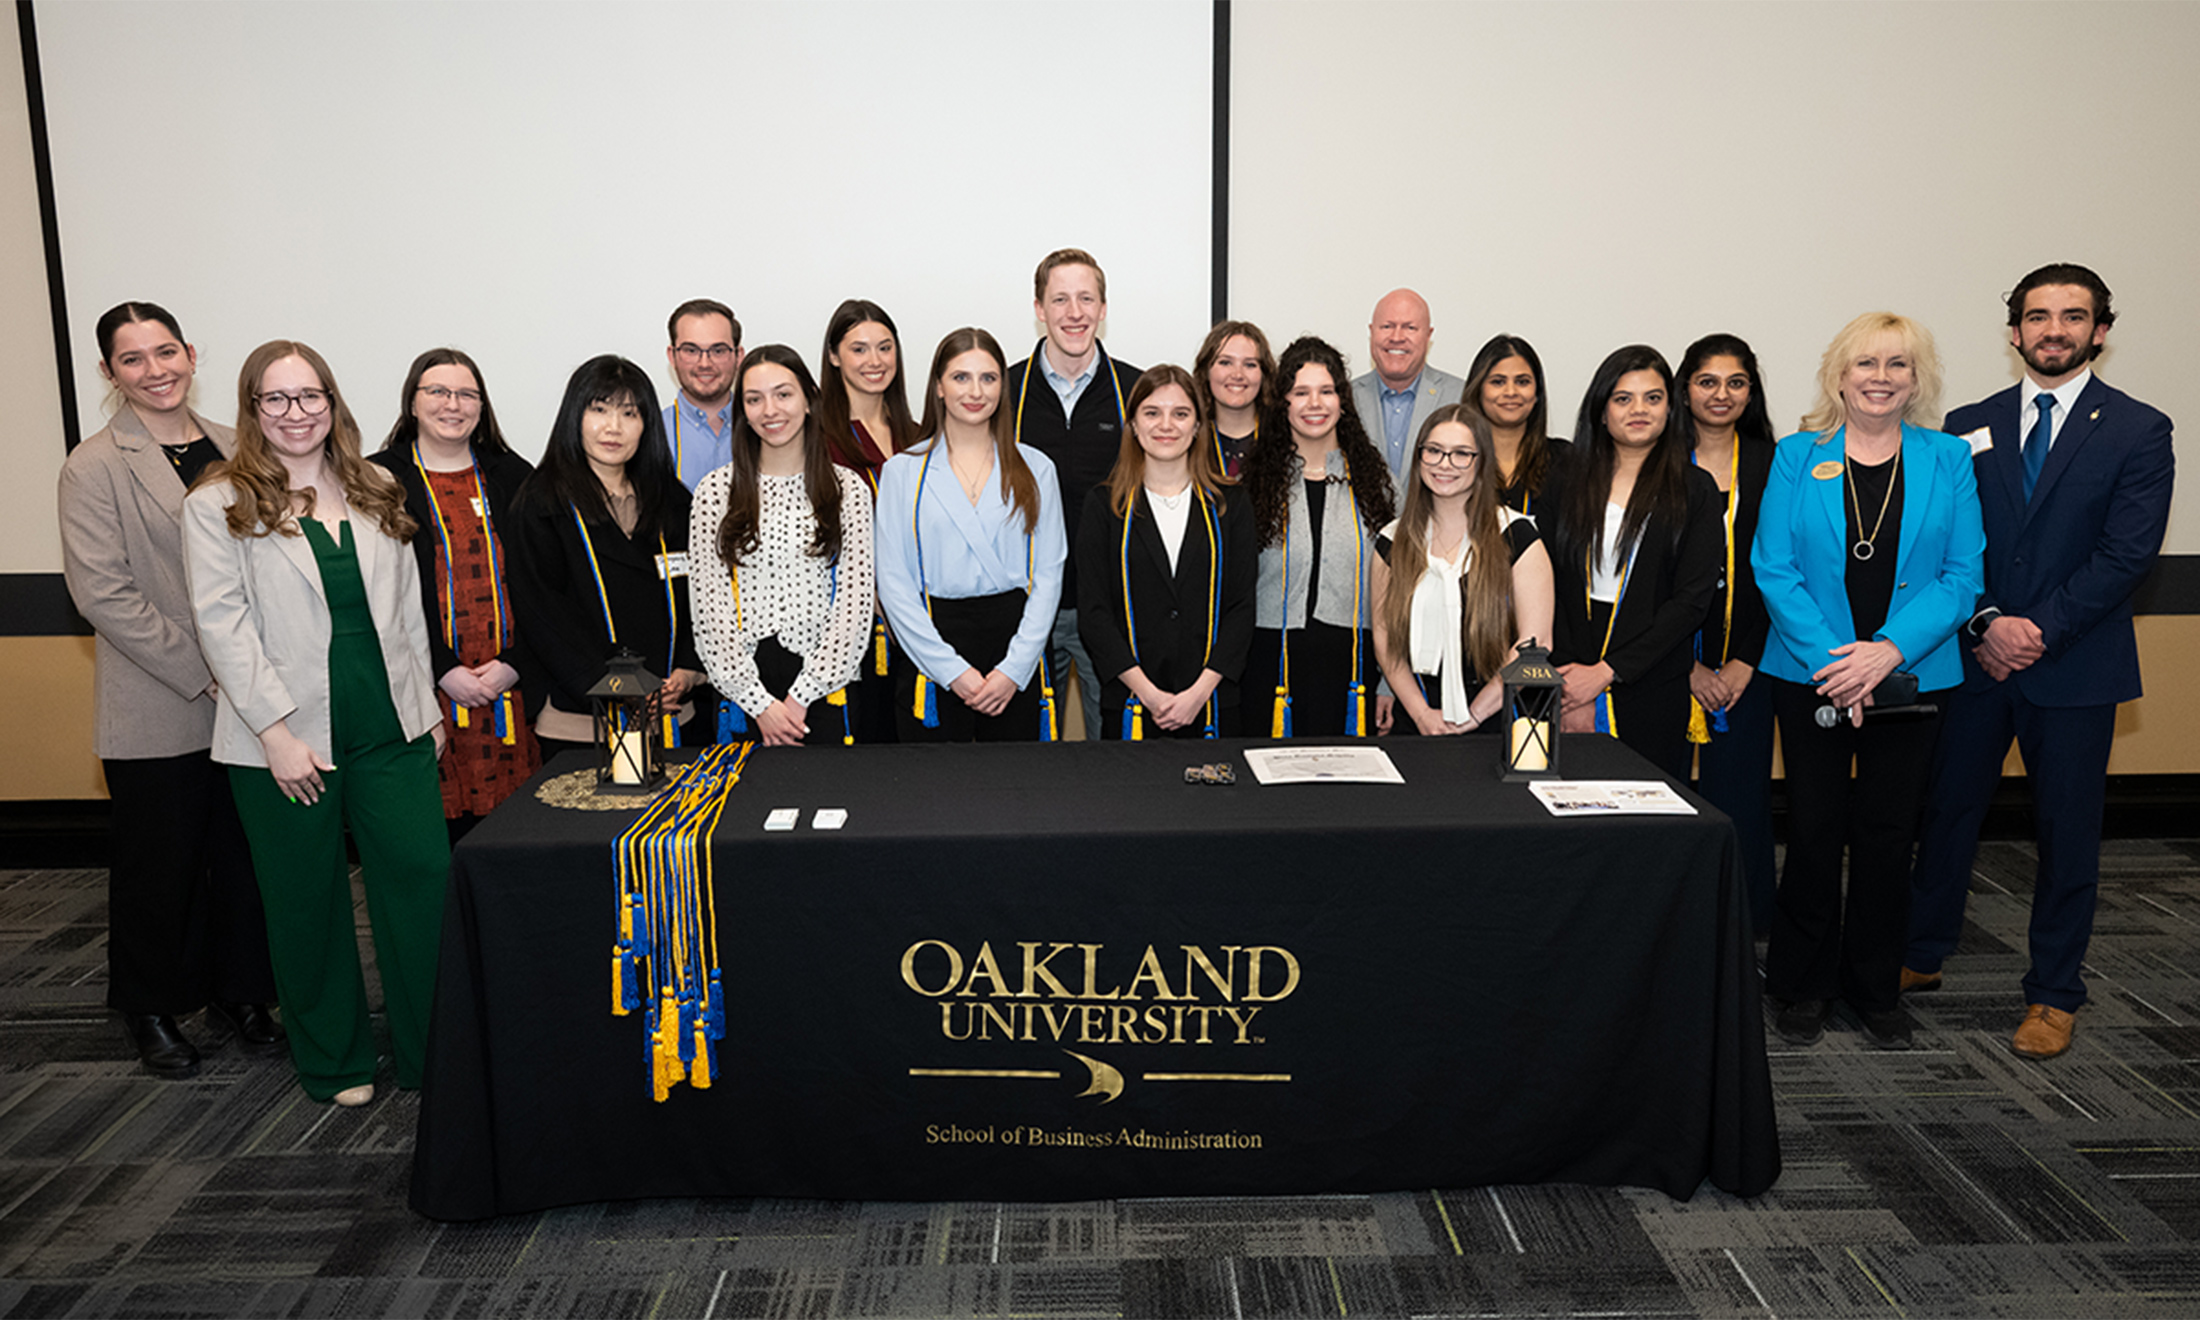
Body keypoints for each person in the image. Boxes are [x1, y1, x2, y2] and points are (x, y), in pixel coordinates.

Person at [1904, 264, 2175, 1061]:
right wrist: (1989, 621)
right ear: (2014, 330)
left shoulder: (2138, 428)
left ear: (2100, 330)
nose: (2054, 328)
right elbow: (1950, 541)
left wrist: (2034, 631)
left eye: (2073, 316)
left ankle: (2055, 994)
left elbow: (2126, 555)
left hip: (2074, 667)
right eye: (2038, 315)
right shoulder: (1966, 422)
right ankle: (1921, 953)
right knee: (1947, 814)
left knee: (2066, 834)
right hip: (1974, 661)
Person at [183, 340, 448, 1107]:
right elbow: (222, 627)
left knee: (422, 886)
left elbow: (406, 611)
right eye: (277, 399)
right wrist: (273, 734)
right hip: (282, 737)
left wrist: (425, 709)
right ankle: (337, 1062)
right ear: (252, 408)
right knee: (307, 900)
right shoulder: (218, 504)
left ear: (333, 403)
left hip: (389, 722)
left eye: (311, 397)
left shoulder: (376, 486)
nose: (296, 414)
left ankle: (436, 1055)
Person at [57, 302, 279, 1079]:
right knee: (162, 866)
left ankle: (242, 991)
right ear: (109, 372)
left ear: (191, 353)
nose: (155, 371)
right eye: (132, 359)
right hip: (163, 699)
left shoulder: (234, 444)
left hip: (245, 697)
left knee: (243, 855)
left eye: (165, 352)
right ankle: (150, 1007)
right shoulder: (94, 464)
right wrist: (206, 665)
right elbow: (102, 595)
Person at [1753, 312, 1983, 1050]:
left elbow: (1962, 577)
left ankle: (1875, 986)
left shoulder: (1947, 458)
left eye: (1898, 365)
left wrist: (1884, 654)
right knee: (1816, 831)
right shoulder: (1796, 456)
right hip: (1808, 674)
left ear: (1917, 380)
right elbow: (1774, 569)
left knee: (1889, 833)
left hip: (1912, 678)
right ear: (1838, 374)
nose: (1881, 377)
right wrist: (1838, 666)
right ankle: (1803, 982)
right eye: (1866, 364)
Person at [370, 349, 538, 841]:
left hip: (510, 690)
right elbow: (379, 592)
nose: (453, 404)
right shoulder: (377, 480)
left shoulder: (513, 475)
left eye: (467, 394)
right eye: (438, 392)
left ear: (482, 407)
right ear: (413, 402)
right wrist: (443, 669)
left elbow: (543, 584)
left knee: (509, 836)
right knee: (429, 840)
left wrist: (515, 662)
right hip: (421, 686)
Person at [510, 356, 706, 760]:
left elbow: (701, 596)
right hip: (584, 725)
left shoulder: (673, 502)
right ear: (574, 416)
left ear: (646, 424)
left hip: (673, 717)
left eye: (629, 413)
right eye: (599, 409)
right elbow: (543, 614)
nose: (613, 427)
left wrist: (688, 670)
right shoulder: (542, 503)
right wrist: (618, 692)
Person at [876, 328, 1067, 742]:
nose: (975, 391)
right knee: (935, 796)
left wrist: (1014, 670)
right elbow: (894, 585)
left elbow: (1049, 578)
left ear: (1003, 386)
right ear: (939, 387)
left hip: (1017, 649)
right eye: (961, 377)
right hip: (932, 647)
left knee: (1019, 794)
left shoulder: (1036, 468)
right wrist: (951, 671)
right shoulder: (902, 471)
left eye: (989, 378)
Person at [1544, 346, 1722, 781]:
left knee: (1648, 815)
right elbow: (1546, 584)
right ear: (1601, 410)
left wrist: (1605, 674)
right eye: (1623, 398)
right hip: (1568, 671)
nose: (1638, 409)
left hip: (1653, 676)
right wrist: (1575, 684)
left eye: (1653, 397)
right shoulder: (1564, 481)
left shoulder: (1695, 489)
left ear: (1670, 409)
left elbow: (1691, 602)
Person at [690, 346, 873, 747]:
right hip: (744, 692)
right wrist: (760, 704)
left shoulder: (848, 490)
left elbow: (854, 607)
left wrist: (801, 696)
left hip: (827, 687)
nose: (769, 410)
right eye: (754, 399)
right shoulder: (714, 493)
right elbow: (709, 612)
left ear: (808, 399)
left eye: (783, 394)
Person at [1075, 364, 1257, 740]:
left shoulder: (1230, 504)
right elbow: (1094, 612)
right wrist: (1149, 694)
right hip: (1131, 705)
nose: (1166, 425)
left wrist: (1199, 693)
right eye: (1152, 413)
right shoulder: (1104, 506)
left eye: (1181, 414)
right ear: (1133, 426)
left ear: (1197, 427)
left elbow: (1241, 607)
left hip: (1212, 706)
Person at [1005, 249, 1141, 739]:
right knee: (1031, 753)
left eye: (1086, 299)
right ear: (1039, 308)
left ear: (1103, 309)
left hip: (1112, 609)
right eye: (1060, 299)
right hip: (1025, 609)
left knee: (1115, 754)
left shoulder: (1135, 392)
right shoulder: (1004, 391)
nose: (1074, 312)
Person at [1238, 336, 1399, 738]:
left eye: (1326, 391)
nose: (1315, 404)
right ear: (1282, 403)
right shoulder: (1252, 486)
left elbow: (1398, 594)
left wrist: (1388, 681)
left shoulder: (1378, 486)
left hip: (1352, 667)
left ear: (1342, 400)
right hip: (1267, 663)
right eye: (1301, 392)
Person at [1676, 334, 1779, 935]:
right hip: (1667, 659)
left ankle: (1745, 928)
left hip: (1751, 658)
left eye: (1735, 382)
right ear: (1685, 388)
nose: (1721, 394)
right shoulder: (1657, 462)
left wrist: (1744, 659)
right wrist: (1685, 665)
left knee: (1740, 799)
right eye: (1707, 381)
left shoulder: (1775, 462)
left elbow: (1786, 569)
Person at [1372, 405, 1554, 736]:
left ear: (1482, 462)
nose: (1445, 464)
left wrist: (1473, 715)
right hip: (1414, 718)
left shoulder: (1518, 536)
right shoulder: (1391, 540)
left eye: (1461, 454)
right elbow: (1384, 637)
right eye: (1434, 451)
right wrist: (1421, 714)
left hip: (1493, 720)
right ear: (1419, 457)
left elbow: (1536, 643)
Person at [815, 298, 919, 743]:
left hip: (918, 624)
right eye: (859, 349)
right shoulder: (817, 440)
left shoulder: (917, 435)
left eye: (885, 347)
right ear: (835, 356)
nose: (874, 361)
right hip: (853, 628)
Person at [1350, 288, 1464, 480]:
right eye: (1387, 327)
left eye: (1410, 328)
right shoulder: (1344, 398)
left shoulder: (1461, 396)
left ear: (1428, 335)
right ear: (1371, 332)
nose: (1396, 337)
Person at [1462, 334, 1564, 513]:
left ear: (1537, 393)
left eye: (1522, 382)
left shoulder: (1565, 461)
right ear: (1478, 390)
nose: (1511, 392)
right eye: (1498, 382)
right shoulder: (1456, 461)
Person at [662, 298, 744, 490]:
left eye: (718, 350)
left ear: (738, 356)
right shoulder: (650, 433)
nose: (705, 363)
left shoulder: (764, 428)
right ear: (672, 356)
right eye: (691, 350)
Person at [1192, 319, 1276, 480]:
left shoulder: (1282, 437)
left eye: (1250, 365)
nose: (1237, 374)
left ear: (1263, 375)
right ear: (1206, 371)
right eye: (1225, 363)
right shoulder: (1189, 438)